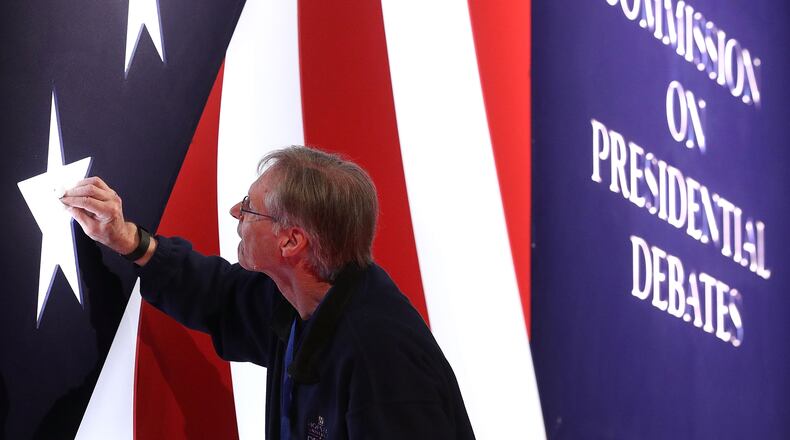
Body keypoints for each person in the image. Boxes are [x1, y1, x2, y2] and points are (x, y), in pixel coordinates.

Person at [61, 146, 475, 439]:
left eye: (249, 207)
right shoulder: (300, 300)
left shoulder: (383, 365)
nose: (235, 213)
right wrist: (127, 239)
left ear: (291, 241)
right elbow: (220, 296)